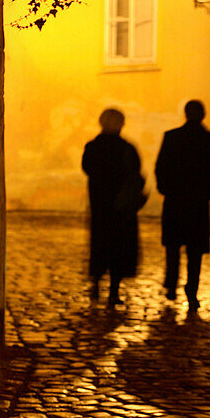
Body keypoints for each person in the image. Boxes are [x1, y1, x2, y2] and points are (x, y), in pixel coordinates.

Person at [155, 99, 210, 311]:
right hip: (197, 202)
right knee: (195, 251)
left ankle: (172, 285)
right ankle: (191, 290)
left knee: (173, 247)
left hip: (175, 200)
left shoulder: (172, 137)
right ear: (203, 115)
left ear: (185, 114)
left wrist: (165, 189)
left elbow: (161, 166)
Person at [82, 108, 146, 306]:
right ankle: (114, 290)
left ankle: (96, 284)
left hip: (100, 206)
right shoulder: (127, 148)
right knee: (119, 246)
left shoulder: (93, 147)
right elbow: (136, 172)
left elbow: (86, 168)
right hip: (121, 208)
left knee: (100, 244)